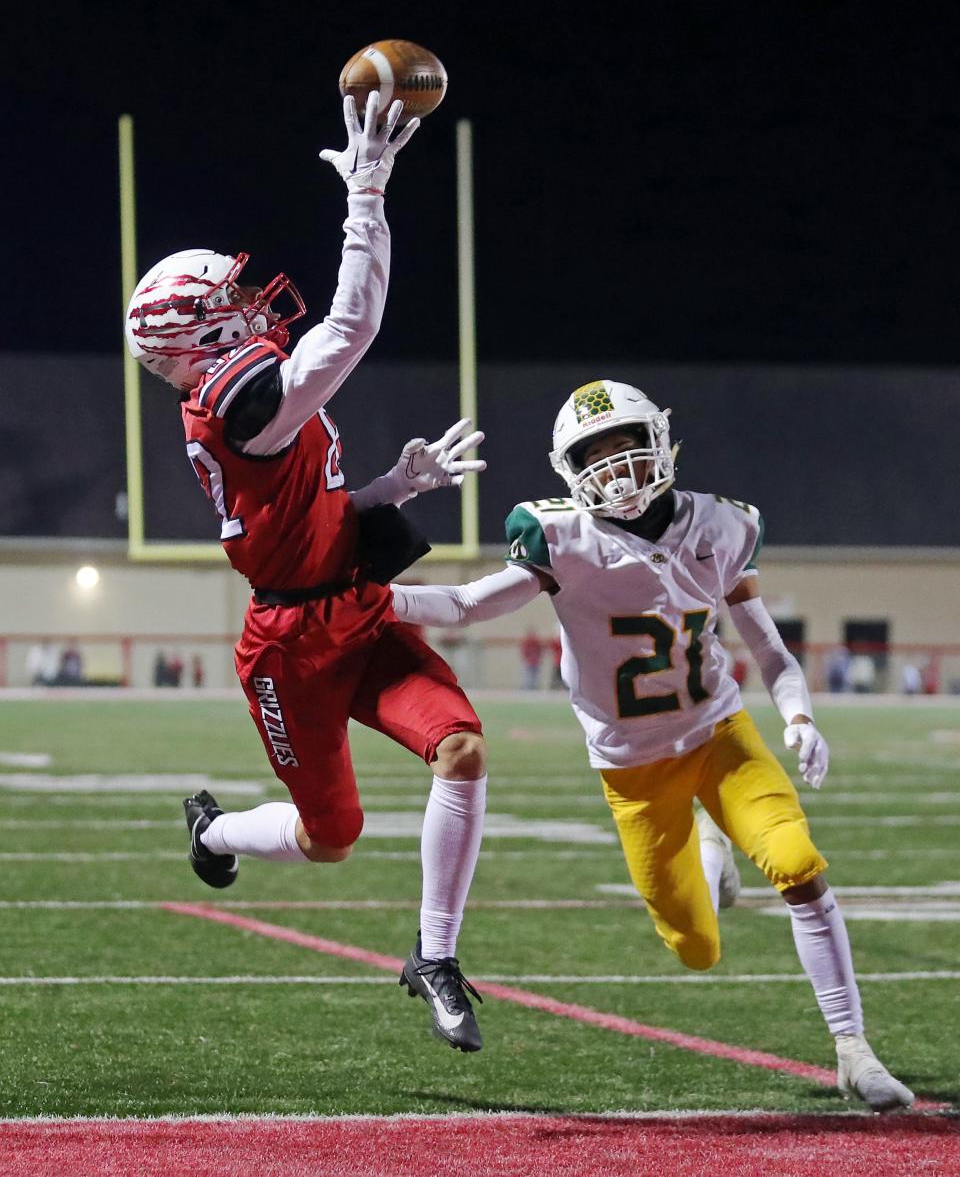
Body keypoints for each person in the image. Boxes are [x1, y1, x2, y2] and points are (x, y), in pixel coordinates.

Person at [390, 378, 914, 1109]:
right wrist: (379, 599)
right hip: (632, 768)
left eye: (627, 448)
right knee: (695, 948)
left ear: (661, 443)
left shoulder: (721, 526)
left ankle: (853, 1048)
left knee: (798, 864)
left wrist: (798, 716)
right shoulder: (560, 536)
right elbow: (467, 604)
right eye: (594, 456)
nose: (614, 470)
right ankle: (709, 843)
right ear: (568, 468)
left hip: (718, 732)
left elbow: (768, 649)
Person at [124, 93, 488, 1053]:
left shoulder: (251, 401)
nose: (250, 308)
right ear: (194, 343)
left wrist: (392, 488)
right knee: (333, 838)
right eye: (225, 307)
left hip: (353, 611)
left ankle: (436, 953)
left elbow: (313, 513)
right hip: (290, 647)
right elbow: (350, 327)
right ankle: (215, 833)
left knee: (461, 747)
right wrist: (365, 195)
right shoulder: (240, 402)